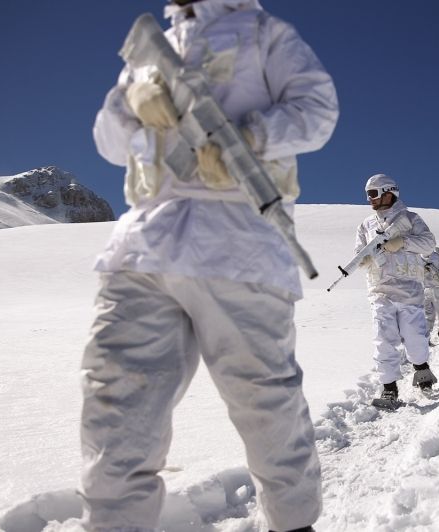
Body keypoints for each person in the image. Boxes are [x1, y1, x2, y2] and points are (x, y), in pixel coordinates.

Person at [80, 1, 338, 531]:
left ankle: (293, 524)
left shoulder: (268, 35)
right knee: (116, 399)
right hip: (144, 245)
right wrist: (135, 103)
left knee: (264, 400)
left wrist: (249, 137)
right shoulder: (155, 49)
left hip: (240, 242)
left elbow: (318, 112)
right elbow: (108, 142)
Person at [354, 173, 438, 405]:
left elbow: (429, 243)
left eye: (373, 193)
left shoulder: (410, 218)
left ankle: (422, 370)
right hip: (379, 289)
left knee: (414, 337)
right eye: (367, 194)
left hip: (409, 288)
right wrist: (363, 258)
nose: (369, 199)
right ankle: (389, 387)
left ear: (388, 192)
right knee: (383, 338)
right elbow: (359, 252)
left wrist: (402, 242)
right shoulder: (366, 224)